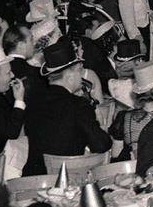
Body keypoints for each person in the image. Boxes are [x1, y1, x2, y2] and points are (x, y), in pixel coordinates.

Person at [21, 38, 112, 176]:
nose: (81, 77)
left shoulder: (32, 102)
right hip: (68, 181)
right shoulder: (79, 105)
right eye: (78, 72)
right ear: (69, 76)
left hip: (35, 179)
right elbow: (101, 145)